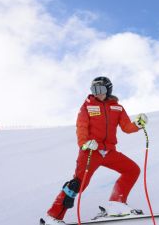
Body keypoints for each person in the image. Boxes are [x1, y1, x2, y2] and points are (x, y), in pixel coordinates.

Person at [41, 76, 148, 225]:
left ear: (108, 89)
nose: (97, 93)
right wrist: (84, 144)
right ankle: (52, 217)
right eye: (94, 90)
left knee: (132, 170)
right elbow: (81, 126)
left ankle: (116, 204)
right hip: (90, 151)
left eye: (101, 89)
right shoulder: (87, 106)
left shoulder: (117, 108)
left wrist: (137, 124)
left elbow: (126, 127)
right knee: (77, 185)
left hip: (109, 152)